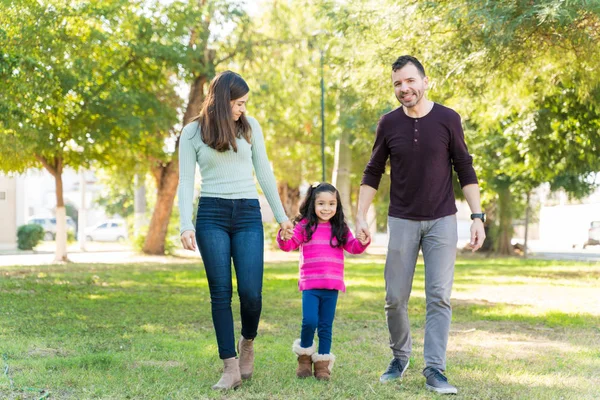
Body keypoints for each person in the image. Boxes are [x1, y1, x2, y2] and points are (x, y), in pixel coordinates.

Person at [355, 55, 485, 395]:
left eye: (410, 81)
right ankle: (399, 358)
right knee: (394, 297)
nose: (404, 88)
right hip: (401, 220)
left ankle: (435, 369)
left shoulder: (448, 119)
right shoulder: (388, 124)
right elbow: (372, 171)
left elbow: (465, 168)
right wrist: (360, 216)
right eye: (398, 83)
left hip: (442, 220)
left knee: (439, 297)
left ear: (425, 82)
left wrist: (477, 216)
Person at [178, 70, 294, 390]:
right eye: (238, 103)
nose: (241, 108)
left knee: (251, 293)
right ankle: (229, 366)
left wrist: (283, 217)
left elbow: (265, 173)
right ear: (220, 101)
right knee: (220, 293)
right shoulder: (192, 133)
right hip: (211, 214)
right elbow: (186, 180)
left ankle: (248, 342)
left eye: (244, 103)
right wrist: (185, 224)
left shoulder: (250, 127)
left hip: (246, 214)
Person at [277, 182, 370, 381]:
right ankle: (304, 358)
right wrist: (284, 237)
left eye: (331, 204)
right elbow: (289, 245)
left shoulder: (340, 228)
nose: (326, 208)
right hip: (310, 285)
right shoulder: (305, 226)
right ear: (312, 204)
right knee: (310, 321)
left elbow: (352, 247)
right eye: (321, 203)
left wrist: (362, 242)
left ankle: (322, 365)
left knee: (326, 325)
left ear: (337, 206)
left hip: (332, 285)